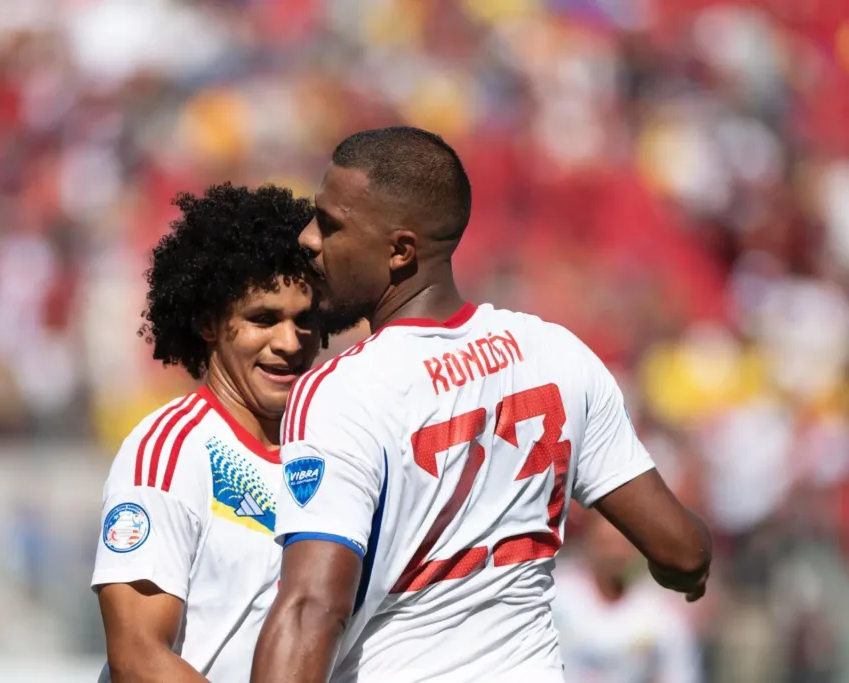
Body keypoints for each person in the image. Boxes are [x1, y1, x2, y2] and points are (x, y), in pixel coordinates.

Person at [251, 126, 712, 683]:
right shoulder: (555, 353)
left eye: (330, 225)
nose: (308, 238)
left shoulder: (343, 390)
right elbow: (682, 551)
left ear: (400, 250)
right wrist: (686, 577)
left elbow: (310, 609)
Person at [92, 183, 348, 683]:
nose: (289, 342)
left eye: (305, 320)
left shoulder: (338, 450)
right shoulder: (168, 452)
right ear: (210, 323)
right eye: (263, 319)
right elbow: (137, 657)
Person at [552, 511, 702, 683]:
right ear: (588, 541)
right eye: (606, 544)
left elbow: (680, 673)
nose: (615, 554)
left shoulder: (662, 612)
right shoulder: (554, 596)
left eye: (623, 544)